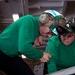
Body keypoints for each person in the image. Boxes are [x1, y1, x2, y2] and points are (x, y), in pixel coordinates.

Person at [0, 10, 61, 75]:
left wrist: (37, 38)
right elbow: (23, 48)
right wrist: (41, 55)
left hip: (10, 55)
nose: (49, 36)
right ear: (43, 20)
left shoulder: (37, 31)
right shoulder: (29, 20)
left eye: (52, 34)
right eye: (49, 32)